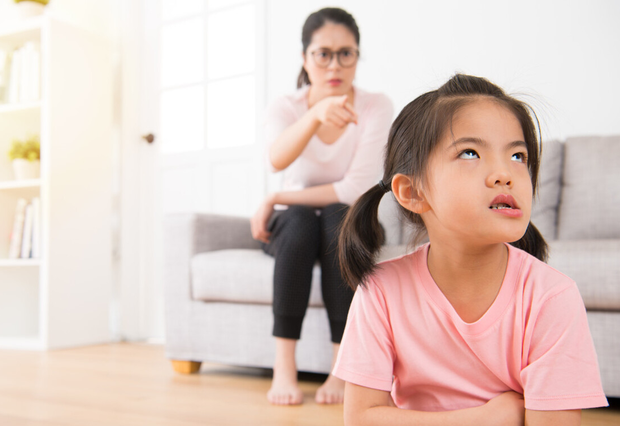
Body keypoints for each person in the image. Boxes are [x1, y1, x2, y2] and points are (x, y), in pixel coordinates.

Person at [334, 74, 608, 425]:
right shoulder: (382, 290)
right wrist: (488, 418)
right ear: (413, 192)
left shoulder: (552, 297)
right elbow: (360, 419)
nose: (504, 173)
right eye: (470, 152)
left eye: (518, 155)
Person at [250, 7, 393, 406]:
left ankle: (339, 368)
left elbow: (353, 189)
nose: (335, 65)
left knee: (336, 220)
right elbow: (276, 159)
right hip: (294, 225)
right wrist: (315, 113)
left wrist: (275, 196)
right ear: (305, 58)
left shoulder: (375, 106)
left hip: (345, 218)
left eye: (346, 53)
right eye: (323, 54)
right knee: (298, 224)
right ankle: (284, 366)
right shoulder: (286, 106)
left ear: (358, 57)